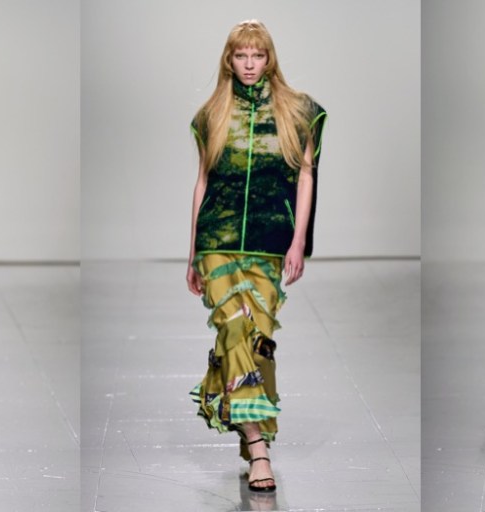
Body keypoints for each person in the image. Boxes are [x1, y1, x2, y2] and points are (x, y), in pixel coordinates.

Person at [185, 19, 327, 494]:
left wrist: (298, 241)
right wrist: (192, 252)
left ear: (270, 59)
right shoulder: (210, 115)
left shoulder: (299, 111)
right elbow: (202, 182)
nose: (249, 64)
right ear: (229, 60)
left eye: (257, 55)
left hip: (269, 240)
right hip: (217, 238)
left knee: (258, 341)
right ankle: (259, 448)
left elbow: (306, 176)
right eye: (241, 56)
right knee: (232, 330)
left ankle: (239, 413)